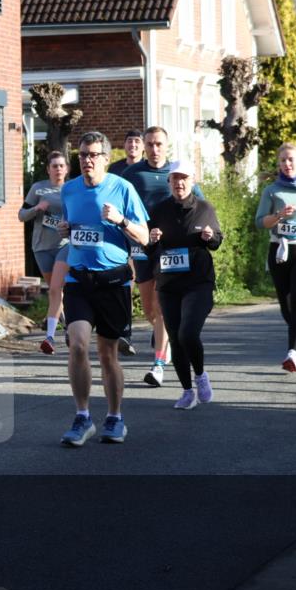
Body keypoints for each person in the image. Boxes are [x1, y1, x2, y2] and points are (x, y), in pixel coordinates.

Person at [58, 131, 148, 446]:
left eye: (94, 155)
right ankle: (82, 417)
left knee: (108, 354)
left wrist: (121, 220)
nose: (87, 160)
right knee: (78, 344)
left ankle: (114, 417)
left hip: (113, 282)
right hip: (79, 281)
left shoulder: (123, 189)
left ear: (106, 159)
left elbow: (144, 237)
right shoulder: (68, 190)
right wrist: (66, 230)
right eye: (82, 155)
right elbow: (73, 228)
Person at [123, 126, 205, 387]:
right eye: (149, 144)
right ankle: (167, 340)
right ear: (143, 146)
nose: (154, 149)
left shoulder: (176, 173)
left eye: (159, 144)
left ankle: (158, 363)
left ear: (166, 146)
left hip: (171, 252)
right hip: (142, 247)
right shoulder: (132, 174)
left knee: (160, 307)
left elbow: (199, 203)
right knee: (148, 308)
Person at [146, 161, 223, 409]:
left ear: (192, 181)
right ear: (169, 182)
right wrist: (153, 240)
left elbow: (217, 241)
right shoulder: (159, 210)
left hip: (198, 282)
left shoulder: (204, 208)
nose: (179, 183)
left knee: (187, 333)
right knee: (176, 340)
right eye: (175, 178)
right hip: (169, 284)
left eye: (184, 178)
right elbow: (149, 249)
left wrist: (210, 237)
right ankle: (187, 391)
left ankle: (200, 376)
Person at [256, 143, 296, 372]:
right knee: (285, 304)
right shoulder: (272, 191)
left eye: (291, 159)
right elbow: (260, 222)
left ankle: (292, 354)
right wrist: (278, 216)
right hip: (279, 249)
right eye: (283, 160)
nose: (287, 164)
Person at [19, 151, 69, 354]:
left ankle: (49, 337)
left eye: (61, 166)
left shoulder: (72, 189)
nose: (58, 169)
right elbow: (22, 215)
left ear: (66, 169)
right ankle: (68, 326)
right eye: (54, 166)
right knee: (56, 290)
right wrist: (37, 208)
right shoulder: (38, 188)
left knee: (56, 289)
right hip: (41, 246)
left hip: (64, 245)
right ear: (48, 169)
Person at [107, 129, 145, 355]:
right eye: (129, 140)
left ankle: (161, 328)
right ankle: (124, 333)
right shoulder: (115, 169)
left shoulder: (148, 169)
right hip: (122, 233)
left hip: (142, 231)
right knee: (126, 285)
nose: (132, 145)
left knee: (151, 285)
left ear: (142, 147)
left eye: (137, 141)